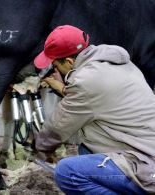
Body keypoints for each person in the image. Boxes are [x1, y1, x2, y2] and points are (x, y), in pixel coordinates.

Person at [33, 25, 155, 194]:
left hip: (146, 166)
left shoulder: (86, 82)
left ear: (69, 61)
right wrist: (63, 88)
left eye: (55, 65)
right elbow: (97, 97)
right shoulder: (116, 63)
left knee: (67, 172)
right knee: (87, 148)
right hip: (145, 149)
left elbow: (57, 126)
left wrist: (41, 149)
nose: (55, 70)